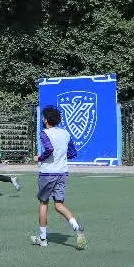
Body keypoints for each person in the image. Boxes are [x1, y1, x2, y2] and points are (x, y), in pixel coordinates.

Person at [31, 105, 86, 249]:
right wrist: (61, 156)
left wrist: (40, 158)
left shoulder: (44, 133)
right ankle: (76, 227)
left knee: (43, 203)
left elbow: (49, 149)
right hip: (62, 173)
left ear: (45, 119)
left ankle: (43, 239)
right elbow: (73, 153)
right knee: (59, 205)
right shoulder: (66, 134)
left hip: (48, 173)